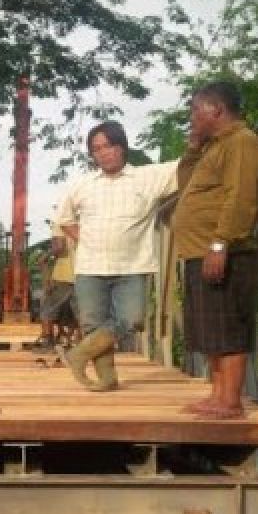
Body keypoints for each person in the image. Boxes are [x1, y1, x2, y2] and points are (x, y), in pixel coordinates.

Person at [54, 121, 178, 390]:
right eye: (96, 149)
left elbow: (184, 167)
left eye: (108, 146)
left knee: (132, 319)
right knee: (93, 324)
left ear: (122, 147)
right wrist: (87, 240)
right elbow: (64, 218)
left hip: (132, 265)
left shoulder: (147, 177)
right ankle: (107, 379)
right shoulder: (82, 184)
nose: (103, 153)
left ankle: (79, 355)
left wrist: (204, 140)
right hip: (90, 266)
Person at [171, 81, 258, 419]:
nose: (192, 117)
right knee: (211, 328)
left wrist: (220, 243)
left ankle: (230, 399)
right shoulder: (214, 147)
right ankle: (218, 395)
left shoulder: (242, 142)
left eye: (196, 110)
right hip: (201, 250)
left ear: (217, 110)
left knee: (227, 326)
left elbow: (240, 196)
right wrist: (193, 148)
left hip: (225, 250)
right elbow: (186, 189)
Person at [31, 235, 80, 353]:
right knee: (80, 313)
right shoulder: (83, 225)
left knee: (47, 310)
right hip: (82, 276)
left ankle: (48, 342)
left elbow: (59, 247)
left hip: (63, 277)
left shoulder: (60, 223)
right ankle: (83, 344)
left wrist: (44, 257)